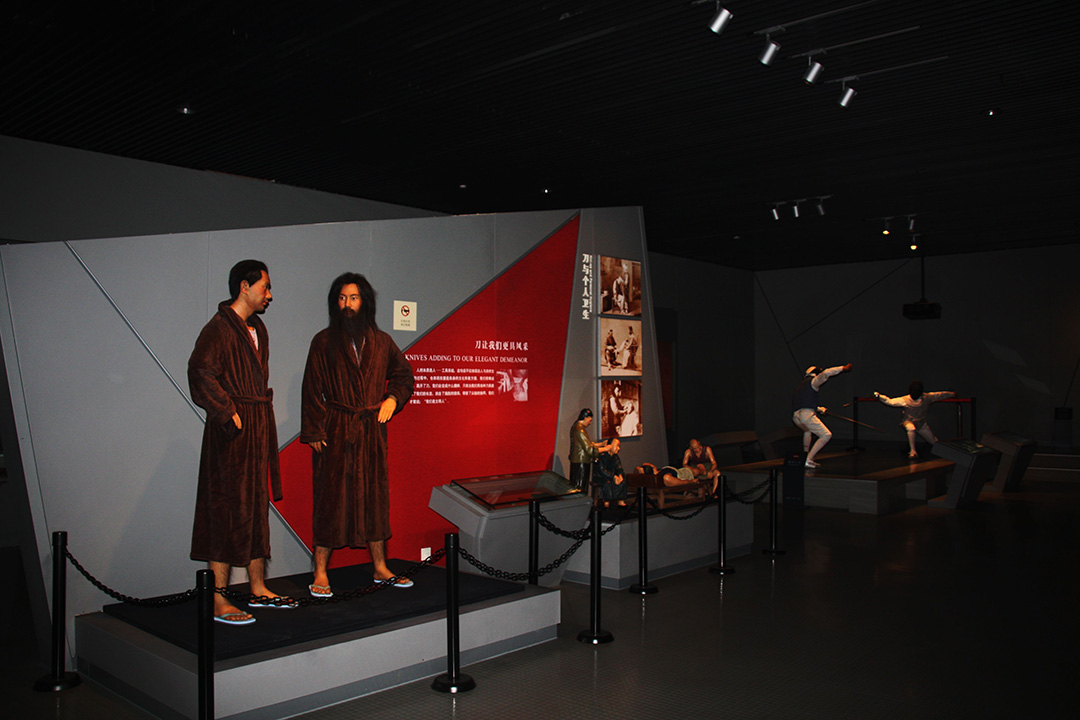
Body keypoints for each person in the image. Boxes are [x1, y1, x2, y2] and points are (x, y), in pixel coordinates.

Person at [301, 273, 414, 597]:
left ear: (364, 301)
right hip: (335, 431)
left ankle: (380, 566)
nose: (347, 304)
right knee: (330, 501)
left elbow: (404, 375)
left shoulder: (382, 342)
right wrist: (314, 429)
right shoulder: (323, 341)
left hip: (370, 433)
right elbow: (312, 388)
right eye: (341, 298)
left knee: (375, 500)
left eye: (353, 298)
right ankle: (320, 570)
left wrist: (392, 399)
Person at [189, 259, 286, 625]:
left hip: (256, 428)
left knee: (256, 508)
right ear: (244, 287)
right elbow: (200, 370)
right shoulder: (218, 328)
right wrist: (227, 411)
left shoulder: (258, 328)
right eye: (265, 287)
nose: (269, 294)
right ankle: (218, 600)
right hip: (231, 434)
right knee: (224, 511)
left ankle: (258, 587)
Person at [792, 363, 853, 469]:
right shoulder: (813, 381)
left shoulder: (801, 386)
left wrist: (820, 409)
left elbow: (805, 403)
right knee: (826, 435)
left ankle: (805, 456)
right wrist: (842, 368)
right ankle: (808, 460)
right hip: (806, 415)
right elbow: (826, 373)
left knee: (807, 431)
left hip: (796, 417)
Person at [873, 381, 955, 458]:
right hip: (908, 421)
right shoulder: (905, 400)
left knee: (933, 441)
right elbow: (890, 401)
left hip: (921, 424)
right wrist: (879, 396)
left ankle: (947, 452)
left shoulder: (927, 397)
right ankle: (913, 451)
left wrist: (952, 394)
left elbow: (940, 395)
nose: (914, 393)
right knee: (911, 428)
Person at [569, 409, 609, 492]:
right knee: (581, 488)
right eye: (589, 420)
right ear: (585, 418)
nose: (590, 423)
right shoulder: (580, 430)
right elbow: (589, 449)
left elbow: (587, 444)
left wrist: (600, 444)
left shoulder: (576, 428)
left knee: (578, 487)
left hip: (579, 461)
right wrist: (606, 449)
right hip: (581, 463)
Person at [594, 438, 628, 507]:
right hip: (602, 476)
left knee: (622, 480)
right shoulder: (602, 456)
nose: (618, 448)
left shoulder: (615, 457)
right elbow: (602, 470)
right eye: (616, 446)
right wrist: (613, 477)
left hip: (612, 476)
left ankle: (621, 500)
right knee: (607, 483)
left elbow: (619, 468)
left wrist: (620, 475)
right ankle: (606, 502)